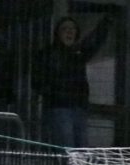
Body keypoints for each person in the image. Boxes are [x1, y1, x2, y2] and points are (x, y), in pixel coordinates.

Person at [34, 14, 112, 148]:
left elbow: (93, 42)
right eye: (65, 29)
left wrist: (105, 24)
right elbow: (37, 80)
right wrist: (53, 93)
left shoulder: (77, 54)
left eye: (72, 29)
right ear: (58, 33)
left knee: (80, 149)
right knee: (67, 147)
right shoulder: (48, 54)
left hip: (78, 107)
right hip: (59, 107)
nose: (69, 32)